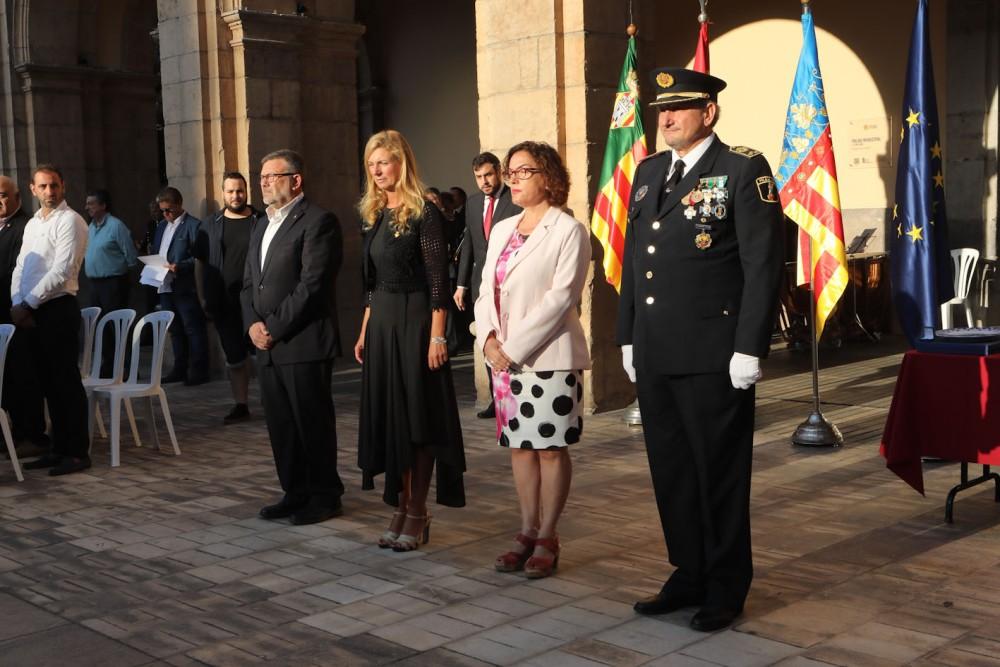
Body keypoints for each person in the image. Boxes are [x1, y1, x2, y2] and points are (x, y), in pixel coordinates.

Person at [616, 68, 784, 631]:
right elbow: (634, 263)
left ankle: (725, 584)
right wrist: (626, 334)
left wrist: (749, 347)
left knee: (719, 472)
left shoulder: (741, 168)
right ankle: (687, 570)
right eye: (661, 110)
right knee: (673, 471)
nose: (666, 119)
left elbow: (762, 265)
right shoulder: (647, 173)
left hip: (716, 353)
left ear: (707, 112)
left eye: (679, 108)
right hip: (658, 351)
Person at [474, 141, 591, 579]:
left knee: (548, 450)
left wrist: (512, 349)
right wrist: (487, 338)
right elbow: (487, 287)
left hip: (549, 358)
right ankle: (524, 530)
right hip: (502, 356)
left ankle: (548, 534)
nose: (514, 179)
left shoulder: (567, 230)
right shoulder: (503, 228)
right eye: (511, 172)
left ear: (549, 177)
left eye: (524, 171)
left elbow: (561, 299)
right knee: (520, 450)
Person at [355, 129, 465, 551]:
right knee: (391, 420)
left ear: (402, 163)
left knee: (419, 419)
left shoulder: (425, 211)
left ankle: (418, 510)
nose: (378, 171)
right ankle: (400, 506)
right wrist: (365, 329)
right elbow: (370, 283)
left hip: (417, 322)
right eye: (371, 164)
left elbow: (439, 280)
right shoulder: (374, 212)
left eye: (384, 161)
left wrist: (438, 337)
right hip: (381, 324)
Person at [242, 149, 345, 526]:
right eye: (262, 177)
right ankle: (295, 491)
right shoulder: (260, 224)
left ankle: (324, 495)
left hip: (302, 341)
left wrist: (274, 326)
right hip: (266, 344)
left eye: (273, 176)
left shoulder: (318, 221)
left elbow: (312, 285)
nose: (264, 182)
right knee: (281, 424)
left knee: (311, 421)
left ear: (295, 180)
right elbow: (250, 282)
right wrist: (252, 323)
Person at [12, 165, 92, 476]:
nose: (50, 192)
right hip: (31, 311)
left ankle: (76, 452)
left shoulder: (70, 220)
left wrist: (27, 304)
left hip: (58, 309)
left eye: (54, 186)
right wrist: (17, 303)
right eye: (43, 186)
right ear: (32, 188)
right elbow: (21, 266)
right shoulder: (33, 224)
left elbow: (61, 271)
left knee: (65, 383)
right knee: (46, 384)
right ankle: (57, 448)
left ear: (63, 186)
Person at [455, 152, 521, 418]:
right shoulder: (471, 204)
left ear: (499, 172)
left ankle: (514, 394)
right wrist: (461, 285)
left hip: (508, 282)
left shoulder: (514, 200)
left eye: (488, 175)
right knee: (486, 338)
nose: (484, 181)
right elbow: (469, 244)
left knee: (508, 338)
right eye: (479, 177)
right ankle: (495, 399)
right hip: (480, 283)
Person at [196, 172, 261, 424]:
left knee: (262, 354)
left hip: (257, 301)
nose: (236, 196)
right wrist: (202, 297)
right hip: (224, 302)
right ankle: (241, 405)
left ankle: (273, 401)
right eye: (231, 191)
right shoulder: (210, 225)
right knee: (234, 357)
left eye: (240, 191)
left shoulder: (261, 220)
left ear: (247, 191)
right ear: (223, 194)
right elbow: (199, 264)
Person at [0, 175, 47, 454]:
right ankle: (9, 434)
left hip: (16, 314)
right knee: (4, 380)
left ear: (18, 196)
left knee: (24, 377)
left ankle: (31, 435)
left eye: (3, 195)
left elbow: (20, 271)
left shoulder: (26, 226)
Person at [152, 187, 209, 385]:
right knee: (174, 328)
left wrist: (180, 266)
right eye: (163, 211)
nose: (166, 214)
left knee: (192, 327)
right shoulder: (161, 227)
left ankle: (199, 370)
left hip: (185, 285)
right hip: (165, 285)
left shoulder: (193, 225)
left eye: (169, 210)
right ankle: (179, 368)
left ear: (179, 204)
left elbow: (200, 258)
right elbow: (157, 250)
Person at [84, 188, 138, 377]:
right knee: (101, 326)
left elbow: (130, 254)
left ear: (103, 205)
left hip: (114, 283)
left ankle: (126, 367)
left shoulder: (116, 226)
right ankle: (108, 367)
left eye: (91, 203)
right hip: (95, 284)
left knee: (117, 325)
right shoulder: (90, 227)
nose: (87, 207)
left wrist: (128, 277)